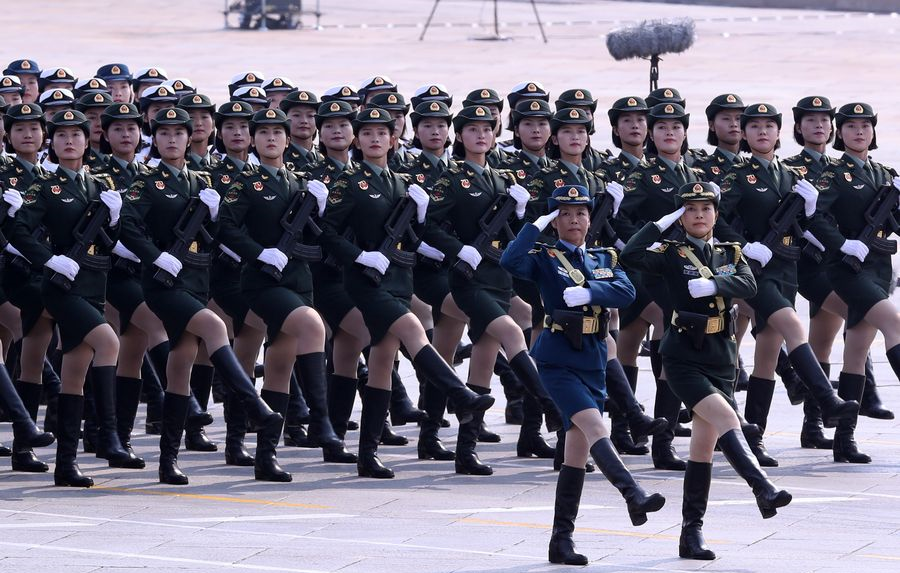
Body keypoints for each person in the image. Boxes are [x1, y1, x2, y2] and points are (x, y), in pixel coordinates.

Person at [622, 182, 795, 560]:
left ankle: (690, 532)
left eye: (706, 208)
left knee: (702, 448)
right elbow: (631, 257)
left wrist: (715, 283)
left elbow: (749, 283)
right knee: (726, 417)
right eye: (689, 209)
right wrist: (658, 224)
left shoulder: (729, 251)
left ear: (716, 213)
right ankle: (762, 487)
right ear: (680, 216)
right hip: (683, 353)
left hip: (721, 354)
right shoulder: (668, 253)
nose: (699, 215)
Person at [319, 106, 494, 478]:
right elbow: (327, 232)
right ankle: (460, 396)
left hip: (400, 276)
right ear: (357, 140)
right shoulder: (349, 181)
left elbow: (420, 234)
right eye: (366, 134)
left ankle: (367, 455)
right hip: (366, 280)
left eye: (382, 134)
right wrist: (360, 256)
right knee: (413, 330)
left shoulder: (401, 184)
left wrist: (424, 219)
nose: (375, 139)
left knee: (383, 358)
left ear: (393, 139)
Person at [501, 184, 665, 565]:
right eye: (565, 214)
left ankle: (561, 541)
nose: (574, 220)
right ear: (555, 221)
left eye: (580, 213)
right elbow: (510, 261)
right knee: (595, 430)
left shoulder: (602, 257)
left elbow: (624, 292)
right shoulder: (543, 257)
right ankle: (632, 492)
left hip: (593, 359)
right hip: (558, 359)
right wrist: (533, 225)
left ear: (591, 219)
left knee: (575, 455)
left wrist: (591, 292)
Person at [119, 107, 283, 485]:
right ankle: (253, 404)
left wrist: (214, 213)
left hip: (196, 278)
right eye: (164, 134)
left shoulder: (202, 181)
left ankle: (167, 460)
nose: (172, 140)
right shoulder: (146, 181)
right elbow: (127, 225)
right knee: (212, 326)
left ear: (191, 137)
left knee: (181, 363)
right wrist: (154, 254)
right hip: (162, 282)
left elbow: (223, 230)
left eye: (179, 133)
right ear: (155, 139)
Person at [717, 103, 859, 466]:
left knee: (766, 354)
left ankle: (756, 437)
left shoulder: (791, 177)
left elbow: (810, 227)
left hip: (786, 269)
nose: (762, 132)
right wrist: (743, 245)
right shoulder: (737, 175)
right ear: (745, 135)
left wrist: (810, 211)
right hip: (753, 271)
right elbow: (714, 218)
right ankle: (826, 400)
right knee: (794, 327)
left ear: (780, 133)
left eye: (769, 126)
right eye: (754, 127)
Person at [12, 109, 138, 486]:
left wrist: (115, 222)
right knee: (108, 342)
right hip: (60, 287)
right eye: (62, 135)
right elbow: (17, 229)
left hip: (93, 285)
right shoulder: (45, 186)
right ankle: (110, 435)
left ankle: (66, 463)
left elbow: (114, 245)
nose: (69, 141)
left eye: (77, 135)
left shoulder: (100, 186)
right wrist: (49, 259)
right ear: (53, 143)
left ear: (88, 141)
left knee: (75, 371)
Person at [809, 102, 900, 464]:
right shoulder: (833, 173)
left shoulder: (884, 174)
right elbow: (815, 218)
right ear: (839, 132)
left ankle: (843, 441)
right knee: (894, 323)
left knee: (857, 352)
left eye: (865, 126)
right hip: (847, 269)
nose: (859, 132)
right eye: (851, 127)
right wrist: (841, 242)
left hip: (878, 268)